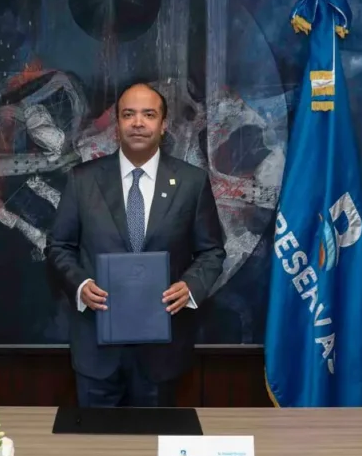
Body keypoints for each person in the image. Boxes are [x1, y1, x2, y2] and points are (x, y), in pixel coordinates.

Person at [45, 82, 226, 407]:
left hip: (163, 351)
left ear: (163, 124)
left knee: (154, 438)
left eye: (148, 115)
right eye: (128, 114)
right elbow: (59, 246)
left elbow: (211, 251)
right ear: (117, 124)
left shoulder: (192, 182)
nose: (138, 123)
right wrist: (81, 284)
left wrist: (191, 286)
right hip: (96, 347)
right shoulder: (82, 179)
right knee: (97, 438)